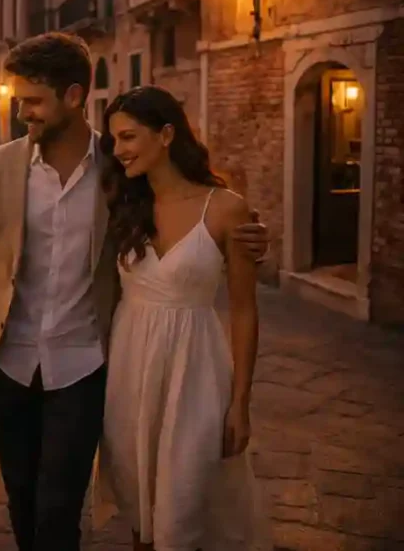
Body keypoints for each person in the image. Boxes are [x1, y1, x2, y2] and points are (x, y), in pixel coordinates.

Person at [0, 32, 270, 551]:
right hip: (6, 362)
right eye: (19, 101)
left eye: (33, 101)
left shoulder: (120, 173)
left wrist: (251, 237)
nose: (22, 114)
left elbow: (191, 207)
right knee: (21, 499)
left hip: (84, 365)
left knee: (60, 507)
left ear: (74, 97)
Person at [99, 85, 271, 551]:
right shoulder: (120, 203)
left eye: (129, 137)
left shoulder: (227, 209)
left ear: (167, 134)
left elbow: (243, 310)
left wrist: (240, 401)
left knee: (186, 505)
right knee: (139, 510)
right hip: (129, 369)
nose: (119, 151)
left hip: (195, 370)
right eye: (114, 140)